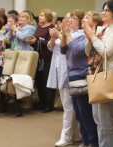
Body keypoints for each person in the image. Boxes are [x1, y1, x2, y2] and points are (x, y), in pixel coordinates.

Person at [84, 0, 113, 147]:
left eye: (106, 10)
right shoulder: (104, 29)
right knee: (99, 120)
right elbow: (88, 52)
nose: (102, 12)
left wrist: (92, 37)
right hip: (99, 76)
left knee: (107, 122)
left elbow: (106, 52)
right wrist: (89, 37)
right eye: (102, 9)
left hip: (112, 78)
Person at [61, 10, 99, 147]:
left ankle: (93, 142)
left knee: (86, 113)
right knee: (78, 113)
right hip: (73, 75)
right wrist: (65, 35)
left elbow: (77, 50)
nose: (83, 20)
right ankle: (85, 141)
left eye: (86, 18)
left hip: (83, 75)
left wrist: (66, 34)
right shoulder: (75, 34)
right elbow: (63, 50)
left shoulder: (88, 36)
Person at [47, 13, 81, 147]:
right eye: (68, 18)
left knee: (68, 107)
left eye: (72, 19)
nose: (69, 21)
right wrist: (53, 36)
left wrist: (60, 35)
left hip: (69, 71)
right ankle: (76, 134)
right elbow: (51, 47)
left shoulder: (79, 33)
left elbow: (71, 46)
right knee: (68, 106)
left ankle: (66, 137)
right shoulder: (64, 32)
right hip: (58, 69)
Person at [26, 9, 55, 113]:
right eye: (39, 15)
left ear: (47, 17)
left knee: (46, 81)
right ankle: (41, 103)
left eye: (42, 15)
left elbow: (50, 43)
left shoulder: (51, 28)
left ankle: (48, 105)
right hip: (37, 57)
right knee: (39, 82)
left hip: (47, 58)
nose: (39, 17)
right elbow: (36, 40)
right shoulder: (38, 27)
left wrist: (36, 41)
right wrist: (31, 42)